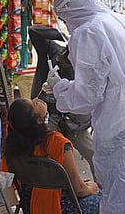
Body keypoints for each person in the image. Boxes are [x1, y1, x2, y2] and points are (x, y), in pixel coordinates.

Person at [46, 0, 125, 214]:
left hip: (121, 122)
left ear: (68, 15)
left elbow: (87, 96)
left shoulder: (87, 32)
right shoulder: (122, 21)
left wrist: (60, 89)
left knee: (122, 196)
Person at [0, 97, 102, 214]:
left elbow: (7, 184)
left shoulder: (12, 147)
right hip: (60, 207)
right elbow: (79, 190)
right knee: (106, 200)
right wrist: (92, 187)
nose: (37, 99)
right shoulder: (57, 143)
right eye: (34, 103)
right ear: (39, 120)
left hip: (30, 206)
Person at [28, 25, 98, 184]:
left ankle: (102, 192)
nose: (63, 58)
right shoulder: (53, 51)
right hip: (49, 116)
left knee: (95, 156)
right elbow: (34, 32)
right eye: (65, 52)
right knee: (46, 154)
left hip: (74, 122)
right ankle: (50, 189)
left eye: (69, 57)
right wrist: (62, 35)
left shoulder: (85, 66)